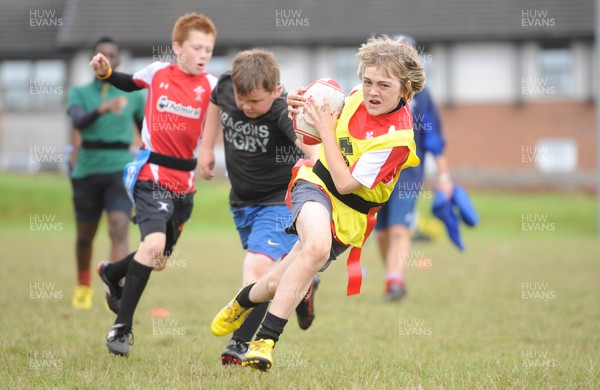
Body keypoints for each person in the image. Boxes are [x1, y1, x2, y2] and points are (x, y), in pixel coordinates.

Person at [210, 36, 425, 372]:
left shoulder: (397, 140)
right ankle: (265, 342)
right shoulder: (352, 97)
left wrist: (325, 131)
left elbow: (347, 182)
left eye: (384, 85)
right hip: (315, 183)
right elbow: (309, 129)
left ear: (405, 90)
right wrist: (296, 103)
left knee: (275, 282)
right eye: (367, 81)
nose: (372, 92)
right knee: (316, 250)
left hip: (350, 212)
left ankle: (242, 301)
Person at [89, 12, 218, 356]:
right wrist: (104, 72)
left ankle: (112, 271)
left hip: (186, 185)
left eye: (209, 48)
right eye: (196, 47)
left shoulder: (212, 85)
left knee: (158, 256)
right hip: (151, 176)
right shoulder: (158, 72)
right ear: (177, 48)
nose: (203, 54)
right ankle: (121, 327)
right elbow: (125, 80)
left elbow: (244, 102)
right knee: (154, 244)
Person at [199, 48, 320, 365]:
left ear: (276, 91)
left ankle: (239, 344)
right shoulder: (228, 84)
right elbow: (216, 101)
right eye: (242, 100)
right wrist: (206, 148)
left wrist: (322, 158)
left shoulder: (281, 112)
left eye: (255, 102)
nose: (245, 106)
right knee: (274, 270)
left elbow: (308, 145)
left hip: (280, 201)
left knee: (258, 265)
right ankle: (304, 284)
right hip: (242, 202)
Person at [67, 37, 145, 310]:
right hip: (87, 168)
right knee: (85, 236)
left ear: (118, 61)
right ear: (93, 60)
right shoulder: (79, 92)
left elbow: (146, 132)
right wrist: (102, 108)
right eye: (101, 55)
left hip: (120, 168)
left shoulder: (133, 95)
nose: (107, 59)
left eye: (112, 55)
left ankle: (116, 288)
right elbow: (77, 121)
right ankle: (83, 284)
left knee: (119, 227)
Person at [375, 35, 453, 302]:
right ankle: (391, 275)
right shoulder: (375, 89)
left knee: (399, 229)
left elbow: (433, 138)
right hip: (376, 173)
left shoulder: (422, 95)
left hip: (408, 172)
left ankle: (394, 281)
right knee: (382, 233)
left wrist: (444, 176)